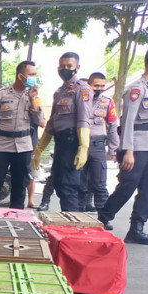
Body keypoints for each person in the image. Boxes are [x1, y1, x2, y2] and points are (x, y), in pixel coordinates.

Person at [97, 46, 148, 245]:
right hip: (136, 147)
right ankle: (102, 219)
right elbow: (127, 121)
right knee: (127, 186)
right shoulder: (136, 89)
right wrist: (127, 150)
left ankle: (137, 229)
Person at [32, 52, 94, 212]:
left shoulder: (83, 89)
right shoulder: (59, 92)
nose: (65, 69)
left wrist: (83, 147)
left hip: (74, 142)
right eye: (62, 66)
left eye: (69, 66)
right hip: (60, 143)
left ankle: (72, 224)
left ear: (77, 68)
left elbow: (83, 119)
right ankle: (70, 221)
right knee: (59, 184)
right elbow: (52, 122)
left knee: (69, 186)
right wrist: (39, 148)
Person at [0, 61, 43, 212]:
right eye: (31, 74)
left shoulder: (33, 96)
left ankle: (16, 219)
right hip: (2, 144)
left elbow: (40, 121)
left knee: (20, 184)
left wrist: (33, 99)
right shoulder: (0, 94)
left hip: (23, 145)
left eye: (35, 74)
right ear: (20, 76)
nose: (34, 78)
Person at [81, 72, 120, 211]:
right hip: (79, 145)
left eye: (102, 86)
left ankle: (104, 217)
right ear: (89, 85)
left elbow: (113, 125)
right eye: (96, 85)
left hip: (97, 146)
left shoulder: (107, 101)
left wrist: (114, 149)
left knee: (99, 184)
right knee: (79, 183)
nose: (99, 88)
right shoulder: (79, 99)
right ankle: (77, 215)